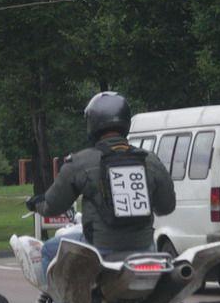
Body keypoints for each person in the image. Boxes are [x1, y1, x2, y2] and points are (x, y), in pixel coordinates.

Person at [26, 91, 176, 281]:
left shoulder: (79, 162)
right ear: (125, 121)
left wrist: (36, 204)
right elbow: (167, 207)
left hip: (100, 250)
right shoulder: (151, 161)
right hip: (144, 249)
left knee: (48, 250)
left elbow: (52, 206)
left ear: (93, 123)